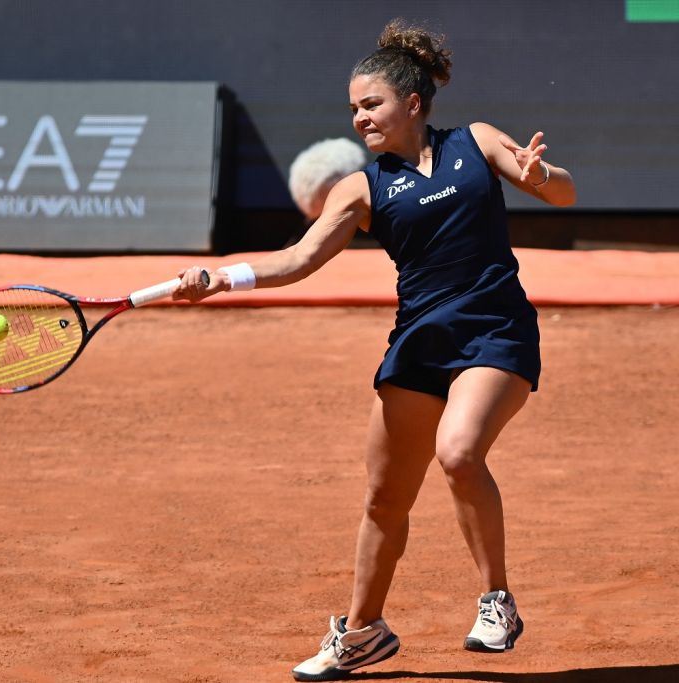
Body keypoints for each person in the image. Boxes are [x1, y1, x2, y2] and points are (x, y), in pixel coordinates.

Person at [173, 18, 575, 682]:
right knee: (386, 498)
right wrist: (223, 276)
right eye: (353, 108)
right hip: (420, 342)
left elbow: (563, 191)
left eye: (371, 104)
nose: (359, 118)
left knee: (459, 450)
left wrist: (543, 173)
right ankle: (361, 632)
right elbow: (299, 259)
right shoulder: (361, 188)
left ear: (412, 102)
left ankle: (495, 598)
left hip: (495, 329)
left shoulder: (475, 143)